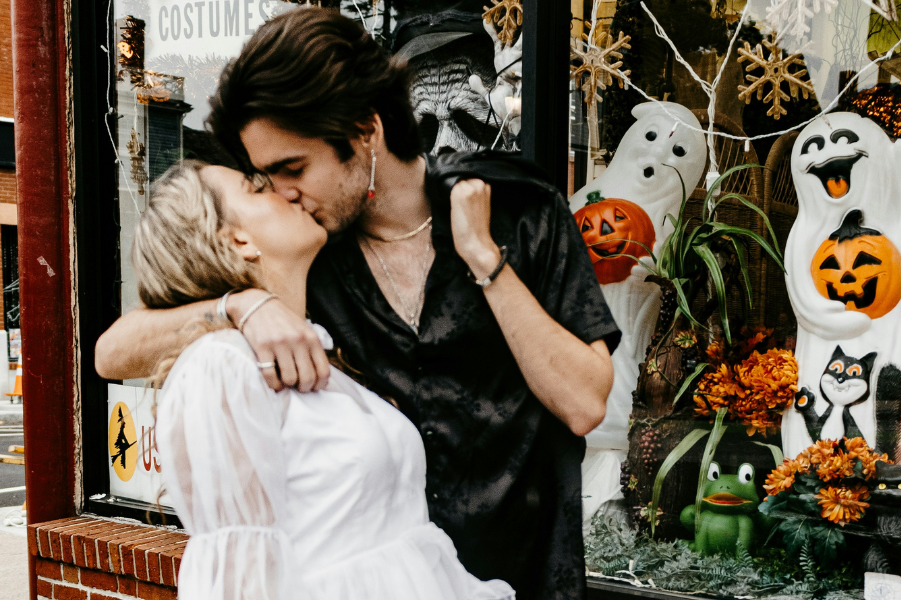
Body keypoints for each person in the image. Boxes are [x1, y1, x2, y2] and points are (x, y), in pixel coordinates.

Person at [95, 9, 618, 600]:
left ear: (365, 129)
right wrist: (239, 306)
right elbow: (113, 353)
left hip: (527, 578)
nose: (283, 192)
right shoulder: (308, 252)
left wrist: (484, 260)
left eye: (291, 168)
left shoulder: (520, 208)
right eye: (263, 179)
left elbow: (583, 403)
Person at [138, 160, 515, 600]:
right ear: (237, 240)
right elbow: (240, 577)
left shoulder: (321, 357)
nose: (288, 192)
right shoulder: (223, 365)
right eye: (258, 189)